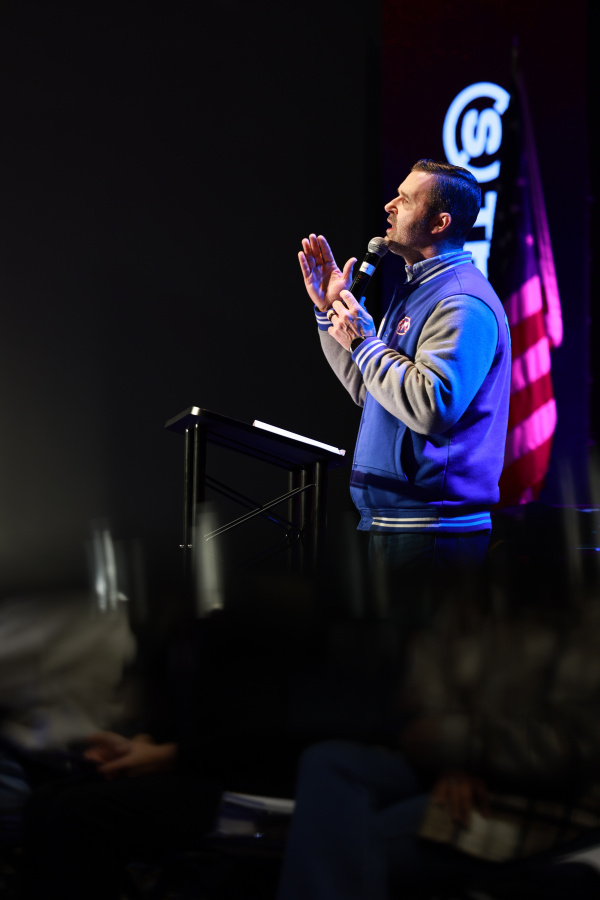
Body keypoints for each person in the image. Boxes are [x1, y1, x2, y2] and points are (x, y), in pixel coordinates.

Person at [299, 160, 511, 579]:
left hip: (434, 531)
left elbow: (432, 406)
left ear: (440, 223)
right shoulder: (417, 290)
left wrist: (364, 341)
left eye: (406, 200)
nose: (389, 206)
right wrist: (330, 312)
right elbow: (371, 390)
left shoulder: (462, 301)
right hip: (392, 523)